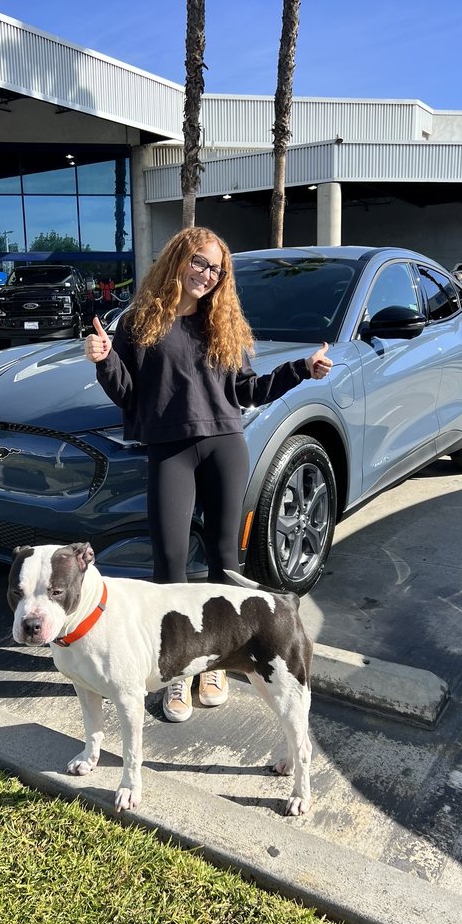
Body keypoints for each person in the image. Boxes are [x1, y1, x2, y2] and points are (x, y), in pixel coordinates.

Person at [85, 226, 333, 723]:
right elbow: (130, 395)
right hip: (170, 450)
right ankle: (176, 671)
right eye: (199, 262)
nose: (206, 274)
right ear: (178, 259)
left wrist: (302, 369)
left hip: (225, 445)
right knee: (170, 563)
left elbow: (248, 390)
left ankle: (217, 663)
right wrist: (106, 359)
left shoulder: (222, 323)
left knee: (224, 562)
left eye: (216, 269)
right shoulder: (139, 323)